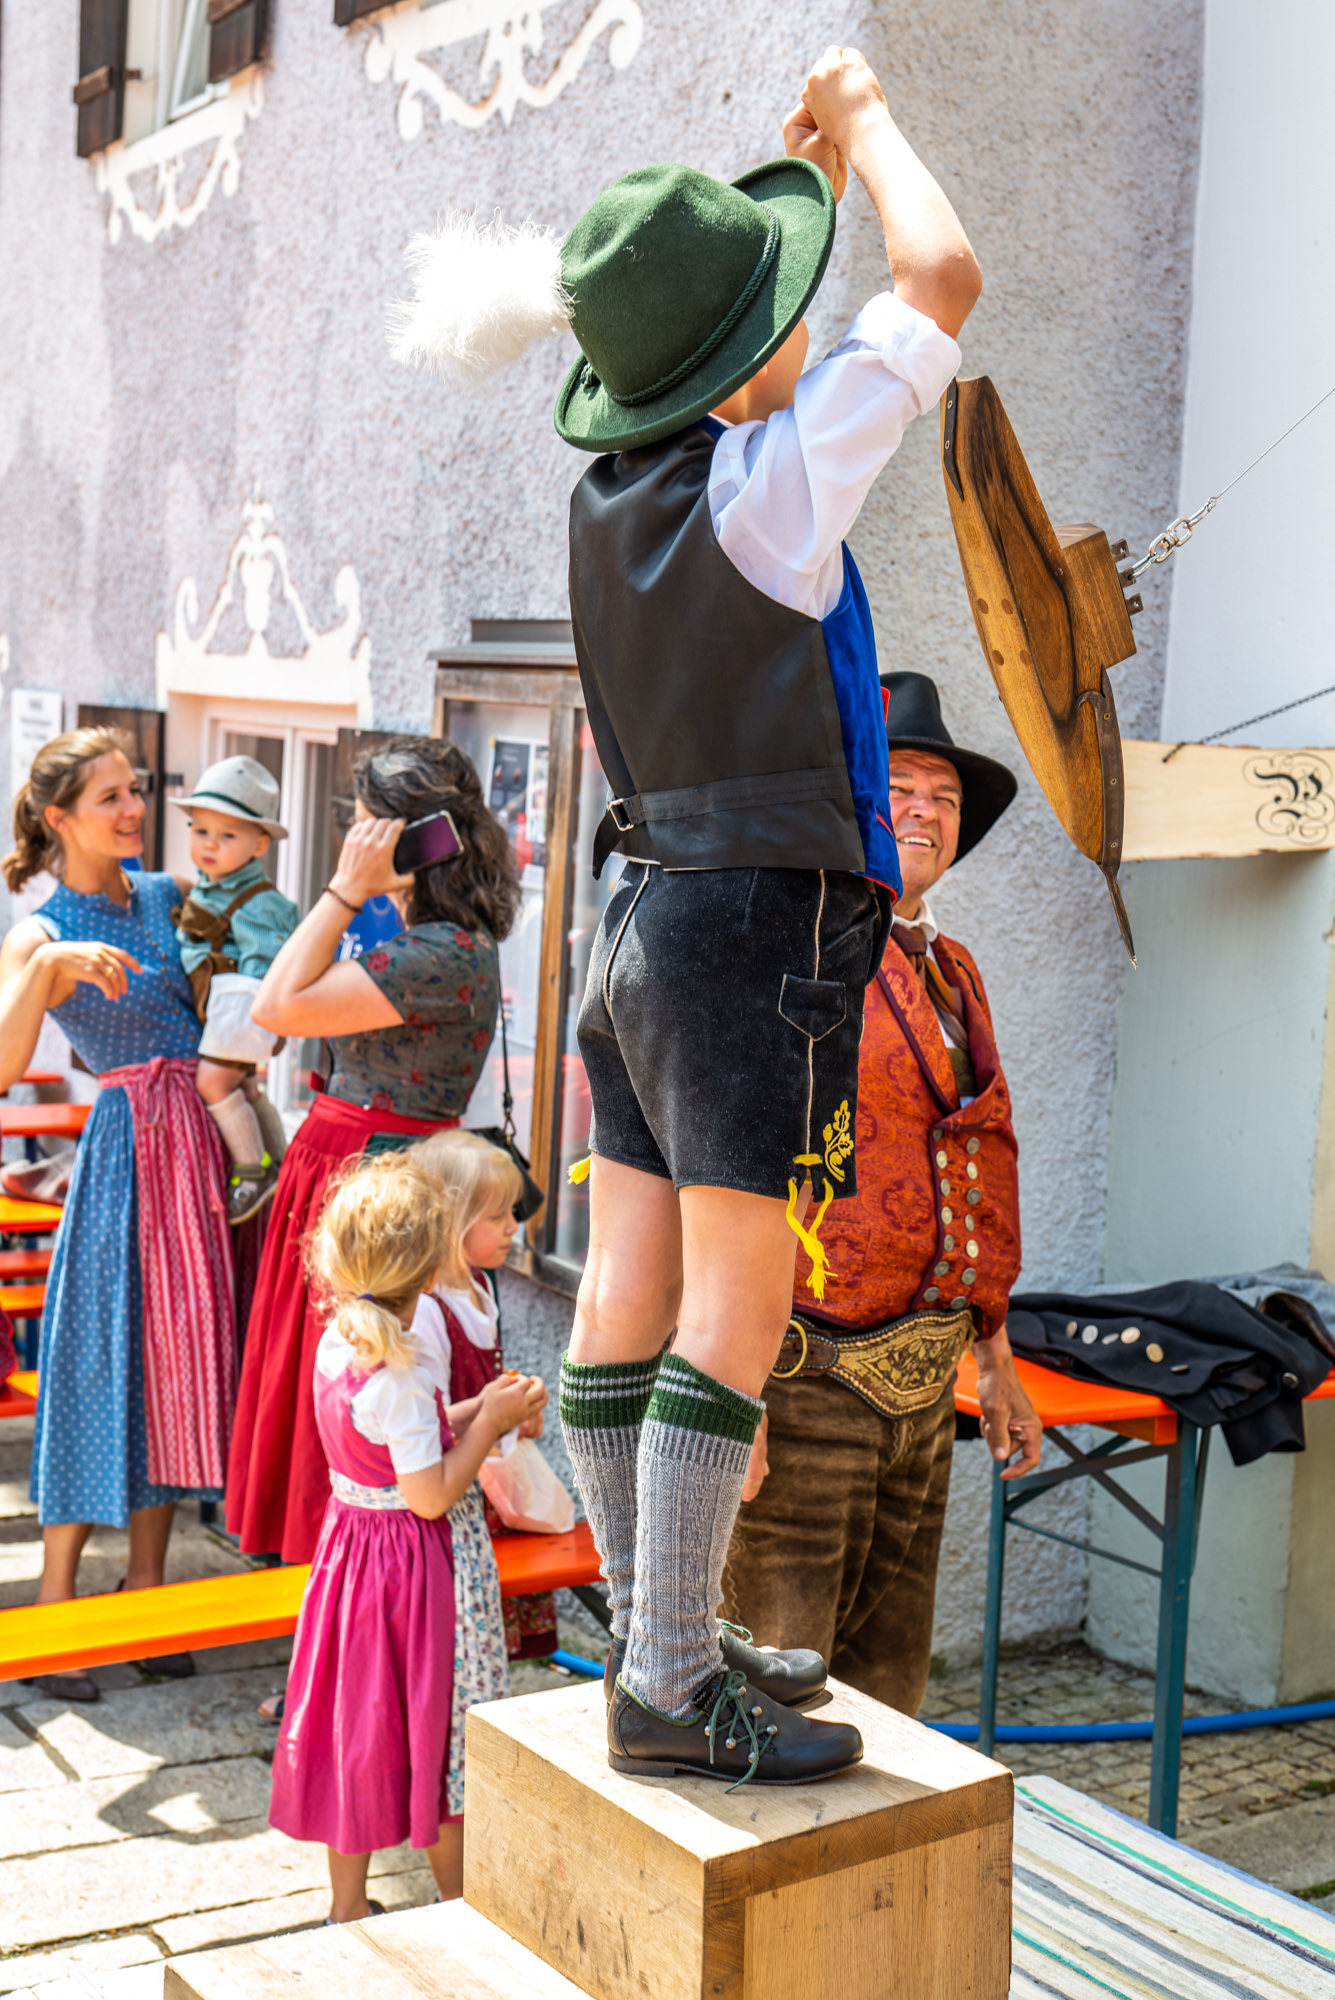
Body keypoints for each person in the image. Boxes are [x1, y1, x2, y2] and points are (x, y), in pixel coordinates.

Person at [393, 46, 981, 1779]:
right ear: (734, 368)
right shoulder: (771, 485)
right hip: (747, 933)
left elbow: (729, 332)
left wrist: (793, 176)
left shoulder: (617, 494)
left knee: (627, 1292)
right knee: (736, 1309)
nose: (805, 326)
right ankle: (662, 1677)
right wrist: (865, 125)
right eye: (776, 315)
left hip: (639, 918)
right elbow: (942, 278)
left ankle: (655, 1630)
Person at [723, 673, 1042, 1715]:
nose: (925, 810)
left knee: (889, 1707)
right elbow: (719, 1165)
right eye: (898, 787)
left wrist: (994, 1355)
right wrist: (727, 1397)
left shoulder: (955, 968)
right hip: (799, 1390)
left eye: (943, 797)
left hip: (924, 1399)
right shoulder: (787, 949)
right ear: (850, 805)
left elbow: (977, 1161)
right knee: (775, 1706)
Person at [225, 737, 521, 1566]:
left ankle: (342, 1587)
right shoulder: (433, 941)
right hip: (357, 1171)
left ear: (415, 839)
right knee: (329, 1381)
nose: (353, 840)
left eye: (366, 825)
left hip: (374, 1180)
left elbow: (275, 1008)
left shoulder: (440, 952)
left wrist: (343, 890)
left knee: (354, 1387)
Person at [0, 728, 236, 1699]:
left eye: (135, 790)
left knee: (174, 1368)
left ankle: (147, 1589)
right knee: (95, 1363)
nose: (135, 808)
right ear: (59, 818)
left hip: (197, 1149)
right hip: (124, 1151)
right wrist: (44, 971)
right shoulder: (39, 930)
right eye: (111, 796)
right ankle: (55, 1607)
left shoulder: (167, 894)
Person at [267, 1152, 545, 1918]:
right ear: (427, 1274)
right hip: (415, 1572)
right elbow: (427, 1495)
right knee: (439, 1727)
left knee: (361, 1725)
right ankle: (459, 1902)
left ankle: (347, 1906)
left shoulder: (340, 1343)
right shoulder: (400, 1370)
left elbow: (398, 1443)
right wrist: (487, 1423)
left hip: (352, 1556)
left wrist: (476, 1408)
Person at [409, 1130, 550, 1795]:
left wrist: (519, 1409)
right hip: (450, 1495)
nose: (512, 1227)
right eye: (495, 1216)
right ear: (449, 1221)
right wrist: (495, 1415)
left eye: (511, 1212)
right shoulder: (425, 1309)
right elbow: (431, 1420)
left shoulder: (478, 1288)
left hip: (482, 1486)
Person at [169, 755, 297, 1225]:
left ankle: (252, 1170)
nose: (209, 844)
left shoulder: (257, 902)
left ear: (260, 844)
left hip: (239, 1014)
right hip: (221, 1014)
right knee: (243, 1085)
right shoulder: (211, 886)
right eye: (201, 830)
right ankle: (279, 1161)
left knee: (212, 1082)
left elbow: (266, 968)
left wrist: (254, 1027)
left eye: (227, 836)